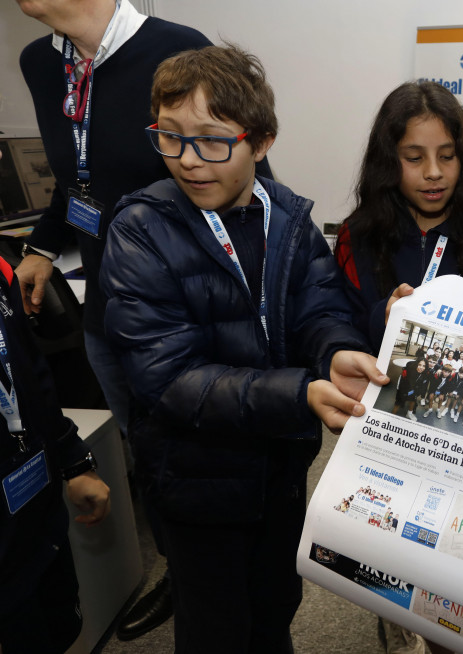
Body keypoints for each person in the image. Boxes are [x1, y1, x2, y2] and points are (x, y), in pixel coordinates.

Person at [99, 44, 383, 653]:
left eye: (211, 140)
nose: (189, 161)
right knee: (214, 628)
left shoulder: (287, 216)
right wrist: (301, 393)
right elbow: (168, 378)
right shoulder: (139, 229)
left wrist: (334, 350)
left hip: (278, 469)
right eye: (170, 137)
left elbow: (321, 303)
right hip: (195, 478)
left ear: (262, 141)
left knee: (275, 606)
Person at [15, 0, 215, 638]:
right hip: (107, 312)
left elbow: (239, 178)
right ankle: (184, 575)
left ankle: (214, 587)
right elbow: (79, 180)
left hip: (182, 316)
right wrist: (44, 247)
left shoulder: (177, 47)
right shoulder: (40, 64)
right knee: (152, 457)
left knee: (205, 457)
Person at [334, 80, 463, 355]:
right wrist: (381, 321)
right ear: (387, 161)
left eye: (447, 156)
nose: (433, 172)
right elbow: (331, 332)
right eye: (414, 158)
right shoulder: (356, 239)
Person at [0, 249, 111, 653]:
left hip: (33, 502)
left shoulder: (1, 269)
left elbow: (30, 371)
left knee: (58, 629)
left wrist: (74, 461)